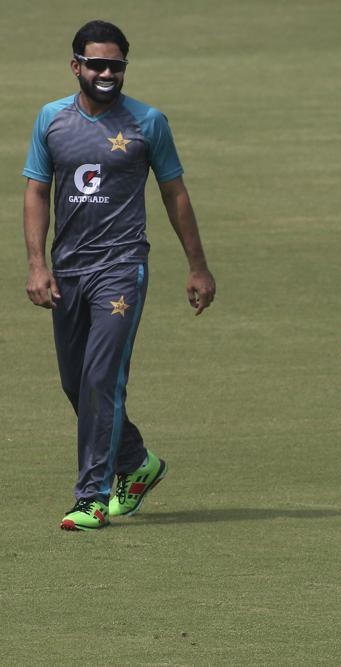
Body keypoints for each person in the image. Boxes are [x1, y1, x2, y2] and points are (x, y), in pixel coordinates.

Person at [22, 20, 216, 531]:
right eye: (96, 64)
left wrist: (198, 266)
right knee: (75, 383)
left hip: (121, 269)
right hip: (68, 272)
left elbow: (175, 193)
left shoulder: (148, 123)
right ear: (76, 66)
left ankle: (90, 496)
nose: (106, 73)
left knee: (100, 378)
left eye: (116, 65)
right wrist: (37, 264)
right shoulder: (51, 120)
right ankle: (137, 464)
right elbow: (36, 191)